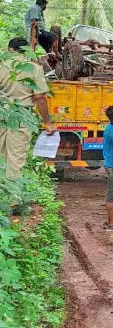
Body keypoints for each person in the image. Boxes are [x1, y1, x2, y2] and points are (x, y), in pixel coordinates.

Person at [0, 38, 55, 212]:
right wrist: (47, 123)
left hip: (2, 114)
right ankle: (13, 202)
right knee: (15, 159)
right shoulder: (34, 68)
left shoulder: (3, 65)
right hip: (21, 116)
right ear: (26, 50)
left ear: (10, 49)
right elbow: (39, 97)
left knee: (2, 157)